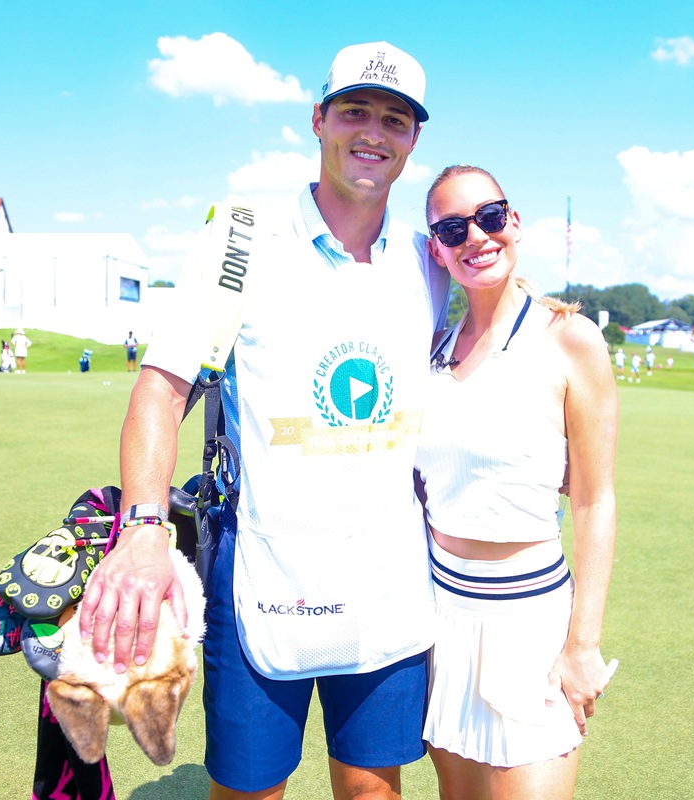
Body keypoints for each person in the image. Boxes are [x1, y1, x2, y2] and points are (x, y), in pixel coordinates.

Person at [79, 41, 449, 800]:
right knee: (250, 792)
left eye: (395, 119)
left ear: (414, 140)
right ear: (318, 120)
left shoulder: (428, 262)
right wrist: (145, 529)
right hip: (263, 575)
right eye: (354, 111)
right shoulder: (241, 242)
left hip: (389, 581)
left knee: (373, 789)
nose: (373, 132)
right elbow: (160, 389)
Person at [416, 165, 617, 800]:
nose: (475, 236)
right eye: (452, 228)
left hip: (530, 621)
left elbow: (593, 498)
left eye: (489, 216)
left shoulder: (569, 338)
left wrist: (583, 645)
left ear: (515, 223)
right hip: (442, 617)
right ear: (437, 249)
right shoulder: (433, 348)